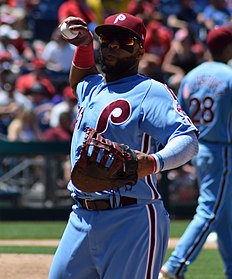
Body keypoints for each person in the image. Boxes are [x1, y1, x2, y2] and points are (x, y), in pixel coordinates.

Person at [48, 13, 199, 279]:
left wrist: (153, 162)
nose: (113, 46)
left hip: (131, 217)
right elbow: (79, 79)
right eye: (107, 40)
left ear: (140, 49)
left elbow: (187, 138)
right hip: (80, 216)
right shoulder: (94, 87)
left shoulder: (152, 91)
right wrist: (84, 46)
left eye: (124, 41)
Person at [159, 26, 232, 279]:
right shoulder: (229, 75)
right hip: (223, 149)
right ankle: (176, 265)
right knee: (210, 210)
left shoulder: (191, 76)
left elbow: (181, 117)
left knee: (225, 215)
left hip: (200, 147)